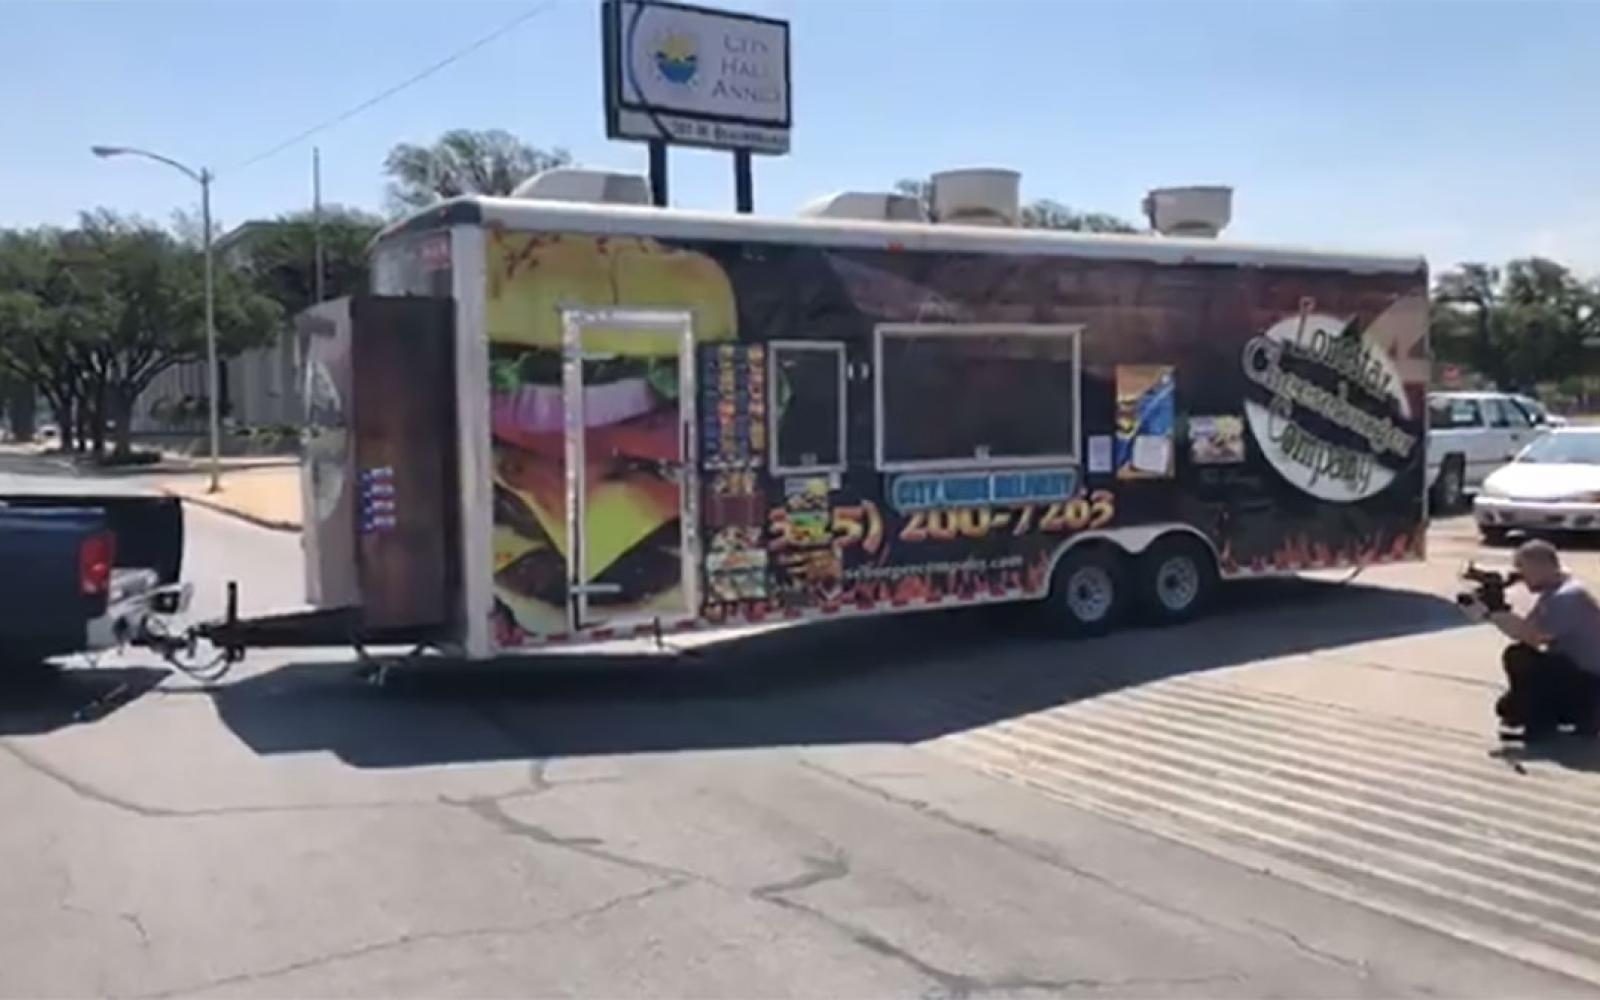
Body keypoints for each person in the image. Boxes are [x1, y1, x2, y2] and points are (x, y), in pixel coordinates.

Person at [1463, 539, 1600, 740]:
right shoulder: (1554, 592)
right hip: (1577, 677)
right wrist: (1492, 610)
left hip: (1590, 684)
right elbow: (1525, 630)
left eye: (1523, 568)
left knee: (1519, 657)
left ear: (1542, 566)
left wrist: (1494, 612)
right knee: (1509, 707)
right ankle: (1550, 716)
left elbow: (1535, 637)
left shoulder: (1568, 596)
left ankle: (1542, 726)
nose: (1520, 576)